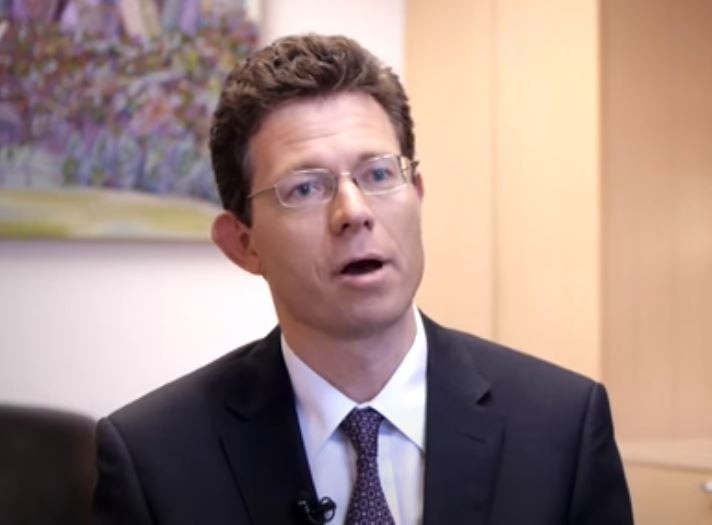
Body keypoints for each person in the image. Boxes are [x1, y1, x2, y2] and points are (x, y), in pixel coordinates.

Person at [92, 34, 633, 525]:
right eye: (305, 188)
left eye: (378, 174)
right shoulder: (155, 459)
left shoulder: (561, 428)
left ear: (416, 196)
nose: (353, 212)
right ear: (243, 243)